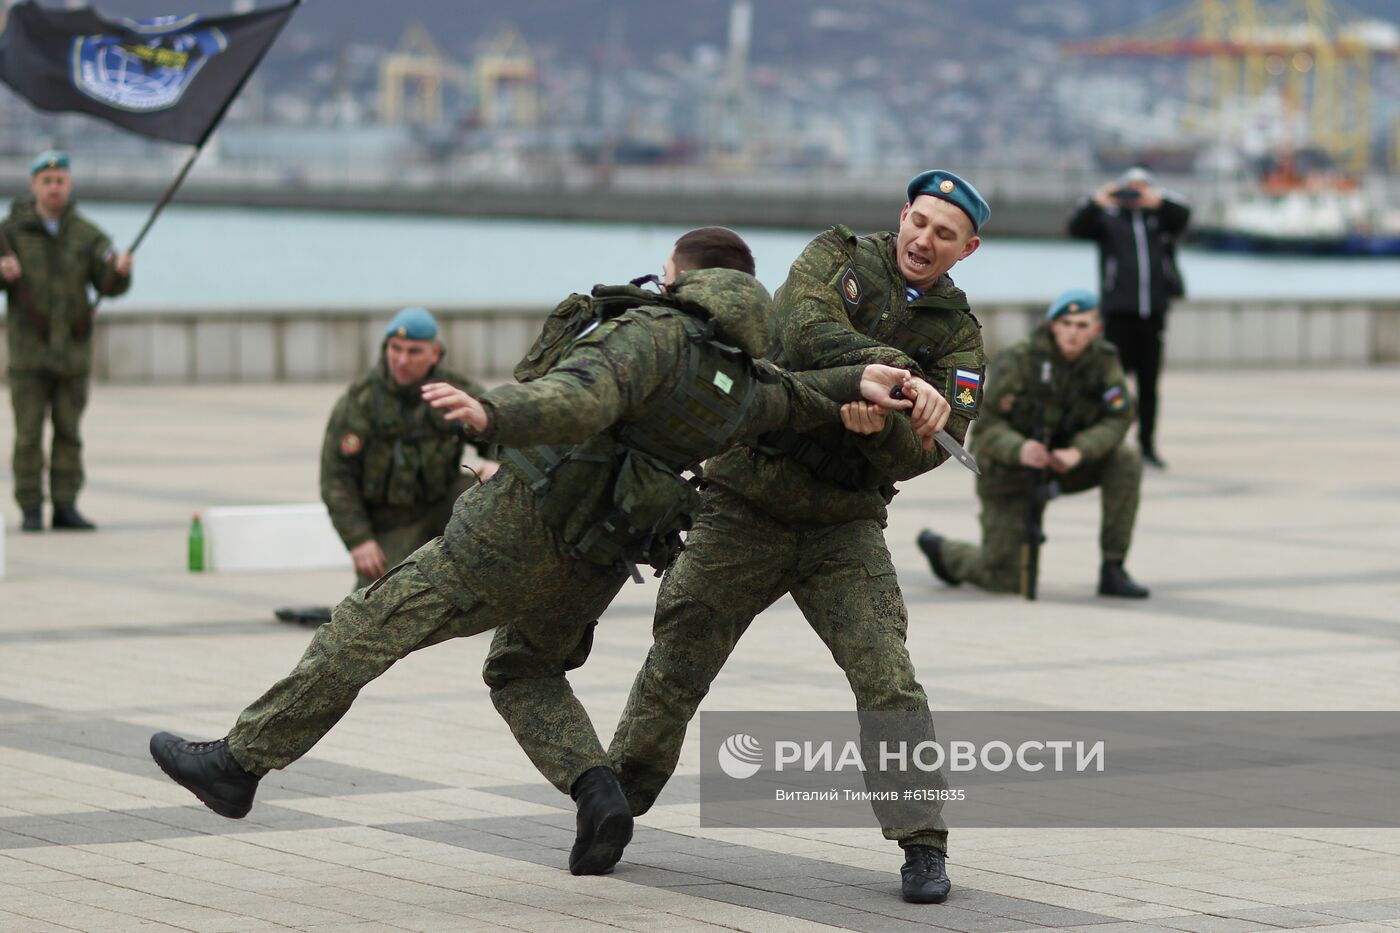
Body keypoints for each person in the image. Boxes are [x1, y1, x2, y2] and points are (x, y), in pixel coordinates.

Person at [148, 227, 946, 879]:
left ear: (680, 274)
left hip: (512, 530)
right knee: (523, 667)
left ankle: (239, 766)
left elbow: (580, 394)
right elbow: (800, 398)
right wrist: (858, 380)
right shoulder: (738, 378)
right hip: (597, 559)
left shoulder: (656, 332)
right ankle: (599, 791)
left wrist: (490, 412)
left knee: (365, 626)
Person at [605, 171, 988, 905]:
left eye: (945, 235)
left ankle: (922, 843)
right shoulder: (834, 258)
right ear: (903, 215)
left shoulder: (963, 339)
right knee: (678, 658)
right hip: (748, 498)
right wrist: (888, 378)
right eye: (921, 222)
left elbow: (929, 451)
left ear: (966, 249)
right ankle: (616, 804)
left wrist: (879, 431)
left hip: (842, 524)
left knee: (888, 676)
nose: (924, 241)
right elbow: (798, 333)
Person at [917, 289, 1149, 599]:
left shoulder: (1103, 362)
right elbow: (987, 430)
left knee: (1126, 459)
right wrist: (1020, 449)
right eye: (1066, 323)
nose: (1073, 333)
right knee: (1005, 578)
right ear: (1053, 325)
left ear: (1096, 329)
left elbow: (1119, 417)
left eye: (1082, 326)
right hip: (1010, 471)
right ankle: (946, 553)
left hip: (1063, 464)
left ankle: (1113, 567)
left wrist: (1080, 451)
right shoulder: (1021, 360)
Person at [275, 308, 499, 626]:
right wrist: (359, 540)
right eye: (396, 349)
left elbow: (502, 428)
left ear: (434, 353)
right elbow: (337, 478)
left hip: (442, 503)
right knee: (375, 608)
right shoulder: (361, 402)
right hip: (393, 521)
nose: (402, 360)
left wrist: (495, 461)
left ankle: (501, 592)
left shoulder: (453, 392)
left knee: (490, 496)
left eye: (413, 351)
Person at [1, 150, 132, 531]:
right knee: (28, 435)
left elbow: (108, 285)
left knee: (69, 433)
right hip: (29, 355)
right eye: (47, 181)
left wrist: (120, 272)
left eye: (60, 181)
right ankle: (29, 507)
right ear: (34, 185)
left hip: (72, 354)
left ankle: (65, 505)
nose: (54, 188)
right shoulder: (10, 233)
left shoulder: (88, 235)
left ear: (69, 185)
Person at [1067, 165, 1189, 469]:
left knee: (1149, 386)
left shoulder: (1159, 220)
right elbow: (1076, 228)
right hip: (1118, 314)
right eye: (1129, 189)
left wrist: (1157, 201)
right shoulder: (1109, 221)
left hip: (1153, 315)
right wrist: (1100, 200)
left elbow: (1184, 215)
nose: (1133, 195)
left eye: (1140, 189)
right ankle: (1109, 442)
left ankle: (1147, 446)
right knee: (1114, 383)